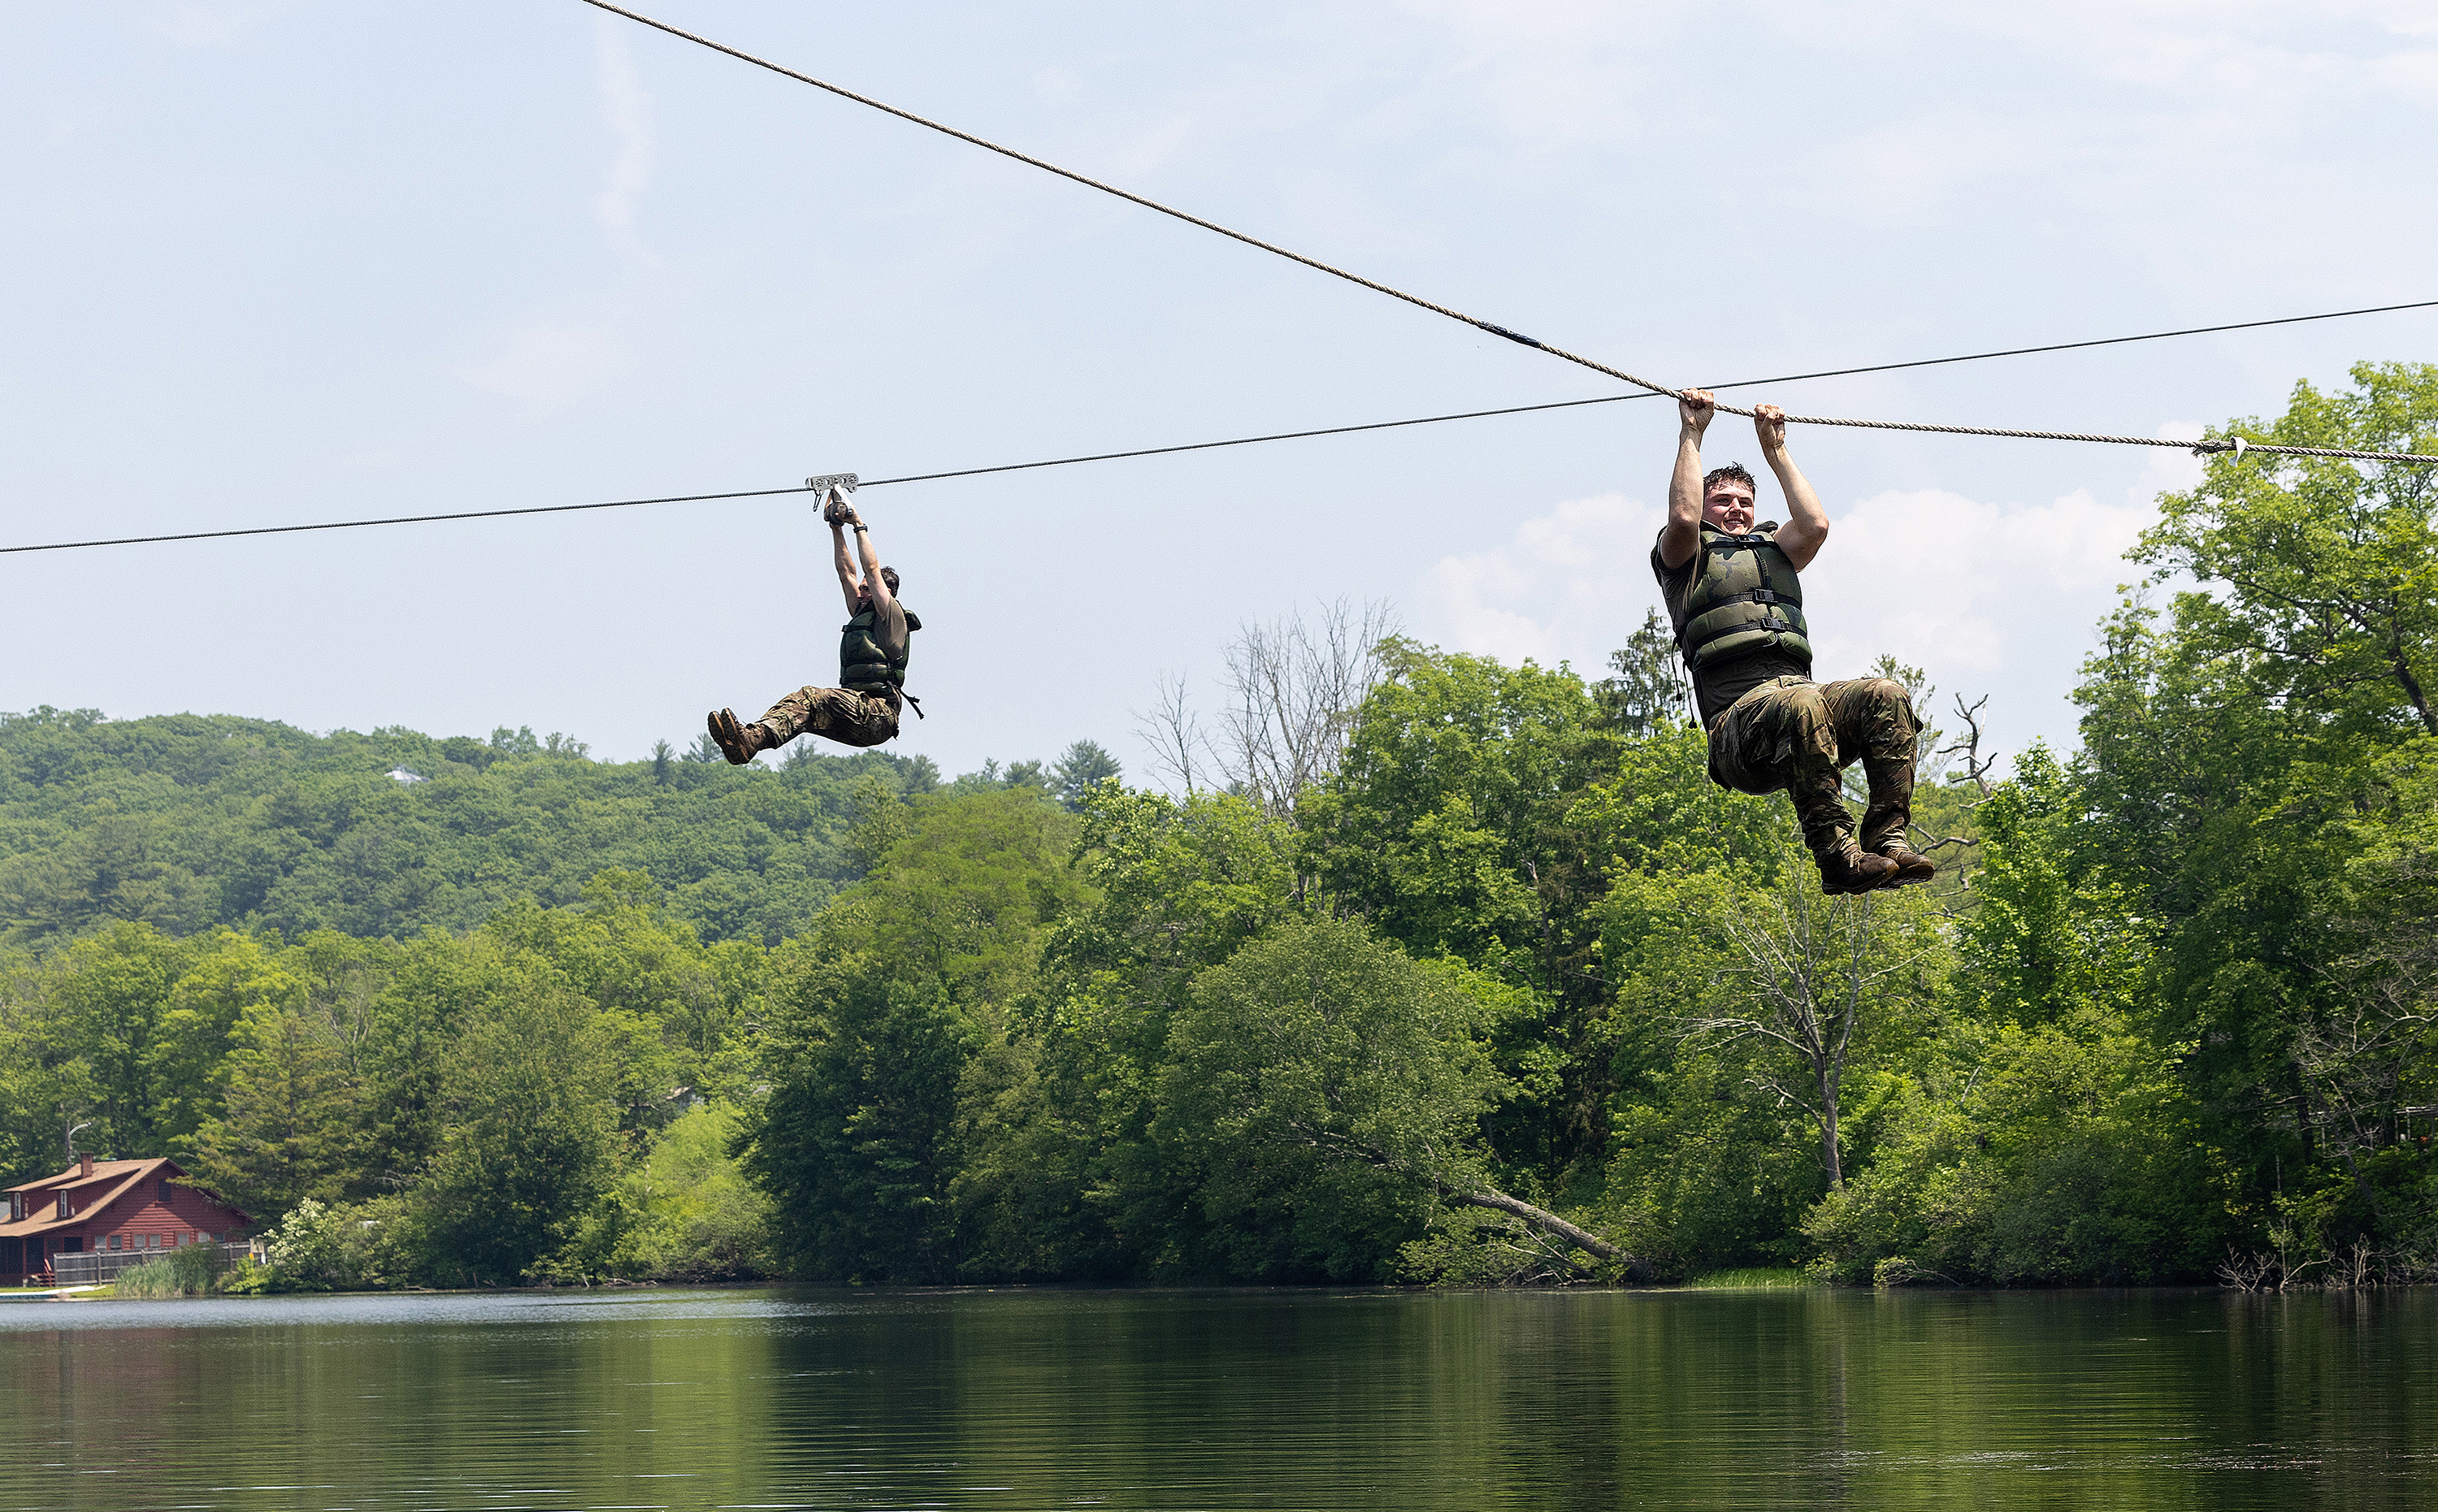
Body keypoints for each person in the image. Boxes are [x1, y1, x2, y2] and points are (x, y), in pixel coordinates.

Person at [1651, 390, 1933, 895]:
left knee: (1885, 695)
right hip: (1740, 734)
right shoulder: (1684, 557)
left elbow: (1816, 524)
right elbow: (1684, 518)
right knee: (1801, 702)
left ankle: (1887, 838)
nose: (1735, 510)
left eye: (1744, 502)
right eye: (1724, 501)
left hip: (1801, 713)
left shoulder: (1776, 550)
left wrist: (1776, 450)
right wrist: (1692, 433)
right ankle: (1836, 856)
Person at [706, 487, 920, 763]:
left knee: (811, 696)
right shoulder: (860, 611)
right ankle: (750, 741)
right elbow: (847, 572)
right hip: (856, 716)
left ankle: (751, 739)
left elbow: (871, 569)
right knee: (803, 712)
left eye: (867, 590)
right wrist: (835, 529)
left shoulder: (890, 616)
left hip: (879, 714)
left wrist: (857, 524)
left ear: (885, 593)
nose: (861, 592)